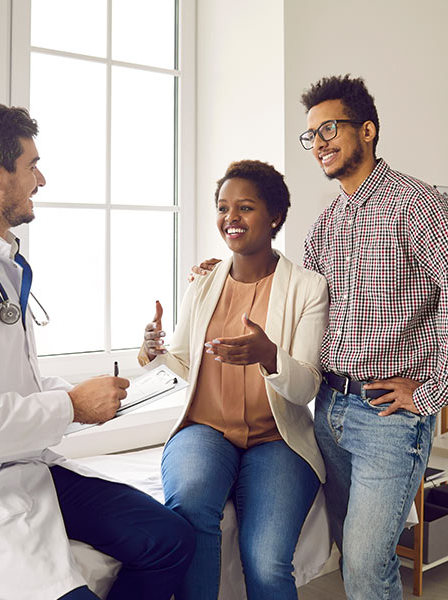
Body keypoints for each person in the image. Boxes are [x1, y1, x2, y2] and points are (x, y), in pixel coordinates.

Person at [0, 102, 193, 600]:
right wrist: (71, 406)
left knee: (171, 538)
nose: (41, 179)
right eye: (31, 166)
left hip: (20, 466)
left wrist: (79, 400)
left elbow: (10, 386)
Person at [298, 75, 448, 599]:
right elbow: (303, 305)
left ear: (367, 130)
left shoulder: (416, 203)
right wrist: (225, 274)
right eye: (311, 134)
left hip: (388, 419)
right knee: (351, 552)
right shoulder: (327, 222)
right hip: (330, 412)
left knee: (366, 566)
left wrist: (429, 394)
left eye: (330, 129)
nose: (319, 142)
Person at [139, 160, 329, 600]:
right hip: (204, 429)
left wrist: (268, 356)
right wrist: (155, 350)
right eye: (224, 208)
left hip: (276, 440)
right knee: (191, 508)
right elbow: (187, 365)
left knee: (265, 561)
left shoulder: (307, 288)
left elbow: (306, 388)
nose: (231, 218)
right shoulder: (202, 284)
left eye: (245, 207)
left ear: (275, 216)